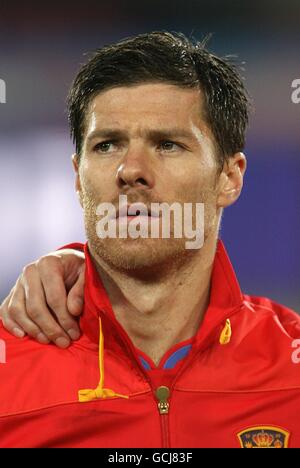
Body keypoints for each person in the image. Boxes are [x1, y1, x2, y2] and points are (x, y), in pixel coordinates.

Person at [1, 31, 300, 449]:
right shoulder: (8, 369)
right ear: (77, 179)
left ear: (229, 178)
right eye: (107, 145)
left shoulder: (292, 373)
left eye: (167, 144)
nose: (131, 169)